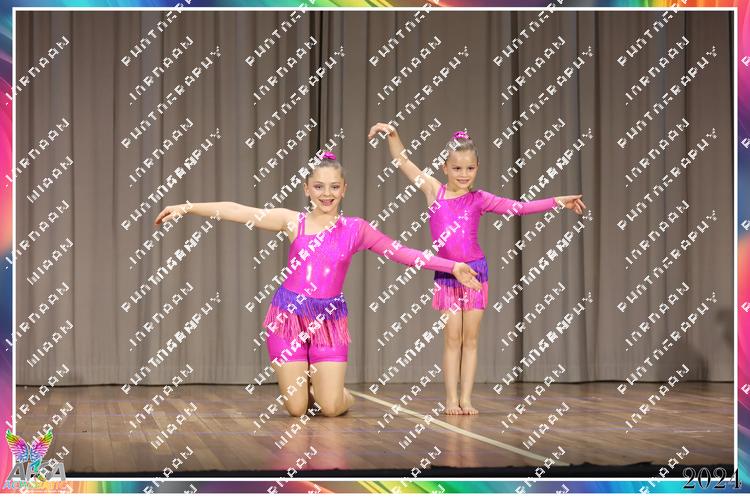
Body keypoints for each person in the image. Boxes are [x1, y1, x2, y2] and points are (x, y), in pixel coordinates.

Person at [154, 151, 482, 418]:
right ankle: (312, 384)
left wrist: (451, 266)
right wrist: (187, 207)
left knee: (331, 408)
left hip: (329, 321)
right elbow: (238, 211)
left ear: (344, 189)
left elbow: (402, 253)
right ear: (307, 189)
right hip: (288, 317)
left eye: (334, 187)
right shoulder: (292, 221)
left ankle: (337, 393)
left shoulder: (356, 229)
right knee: (297, 410)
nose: (327, 194)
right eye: (319, 187)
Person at [368, 124, 585, 415]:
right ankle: (450, 399)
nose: (463, 174)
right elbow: (403, 162)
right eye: (457, 168)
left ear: (477, 168)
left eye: (470, 168)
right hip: (447, 273)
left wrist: (556, 201)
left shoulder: (480, 198)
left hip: (475, 274)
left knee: (470, 339)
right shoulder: (434, 191)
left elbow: (518, 207)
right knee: (452, 338)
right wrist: (394, 136)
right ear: (445, 168)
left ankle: (466, 399)